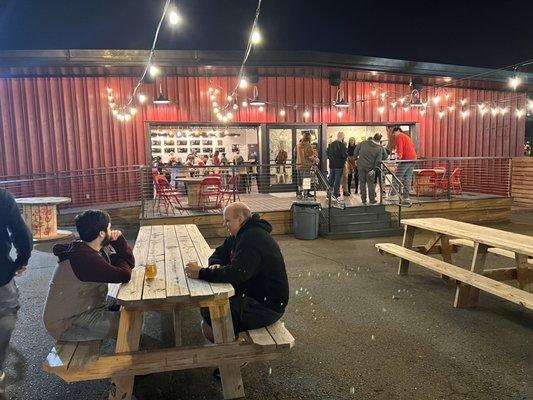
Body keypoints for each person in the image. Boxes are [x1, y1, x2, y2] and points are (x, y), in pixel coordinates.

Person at [184, 202, 289, 342]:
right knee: (208, 308)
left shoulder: (253, 237)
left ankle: (235, 357)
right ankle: (231, 346)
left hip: (267, 306)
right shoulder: (239, 234)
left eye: (227, 220)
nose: (224, 224)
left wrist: (202, 273)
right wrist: (215, 264)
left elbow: (237, 273)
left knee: (212, 321)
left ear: (239, 219)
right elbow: (219, 252)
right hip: (253, 296)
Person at [43, 210, 134, 342]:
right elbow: (125, 275)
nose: (112, 230)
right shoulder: (84, 258)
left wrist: (117, 249)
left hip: (86, 306)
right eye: (109, 227)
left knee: (127, 305)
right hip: (67, 323)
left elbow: (129, 264)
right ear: (102, 233)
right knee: (128, 324)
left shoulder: (90, 247)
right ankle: (147, 356)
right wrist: (117, 249)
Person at [0, 189, 33, 393]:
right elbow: (22, 234)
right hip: (0, 275)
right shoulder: (2, 197)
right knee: (6, 313)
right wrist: (21, 261)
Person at [354, 134, 386, 205]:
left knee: (362, 183)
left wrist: (356, 159)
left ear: (373, 137)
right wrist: (374, 169)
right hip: (370, 168)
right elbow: (379, 160)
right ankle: (372, 200)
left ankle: (363, 200)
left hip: (361, 166)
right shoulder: (379, 148)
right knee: (370, 184)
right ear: (379, 140)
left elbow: (356, 150)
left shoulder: (363, 143)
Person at [390, 126, 417, 204]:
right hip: (413, 159)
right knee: (407, 178)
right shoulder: (407, 137)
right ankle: (406, 197)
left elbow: (400, 149)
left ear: (397, 131)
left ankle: (393, 195)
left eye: (394, 133)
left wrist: (398, 159)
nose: (394, 135)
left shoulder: (399, 136)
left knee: (397, 177)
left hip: (406, 160)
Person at [295, 131, 319, 198]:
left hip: (299, 165)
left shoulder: (298, 145)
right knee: (306, 180)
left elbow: (295, 154)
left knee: (299, 181)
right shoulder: (308, 146)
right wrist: (316, 160)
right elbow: (311, 156)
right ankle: (305, 195)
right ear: (309, 138)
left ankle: (299, 194)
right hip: (306, 166)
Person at [326, 131, 348, 198]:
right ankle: (335, 194)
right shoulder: (342, 145)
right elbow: (344, 155)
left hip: (332, 165)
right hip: (339, 165)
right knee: (337, 180)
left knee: (331, 179)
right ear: (342, 137)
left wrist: (331, 160)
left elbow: (327, 154)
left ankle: (329, 193)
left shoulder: (331, 144)